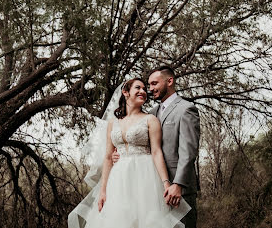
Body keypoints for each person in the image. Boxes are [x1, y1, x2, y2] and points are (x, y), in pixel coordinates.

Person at [68, 78, 190, 228]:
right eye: (138, 88)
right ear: (125, 92)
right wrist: (103, 190)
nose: (143, 92)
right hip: (118, 179)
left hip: (145, 177)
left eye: (145, 89)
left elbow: (156, 152)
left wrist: (166, 183)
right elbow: (107, 157)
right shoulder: (113, 122)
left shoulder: (150, 119)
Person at [114, 66, 201, 228]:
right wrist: (119, 154)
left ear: (169, 81)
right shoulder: (151, 113)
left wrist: (178, 184)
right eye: (149, 85)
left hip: (178, 188)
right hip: (153, 188)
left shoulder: (186, 109)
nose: (150, 89)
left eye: (154, 84)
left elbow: (188, 152)